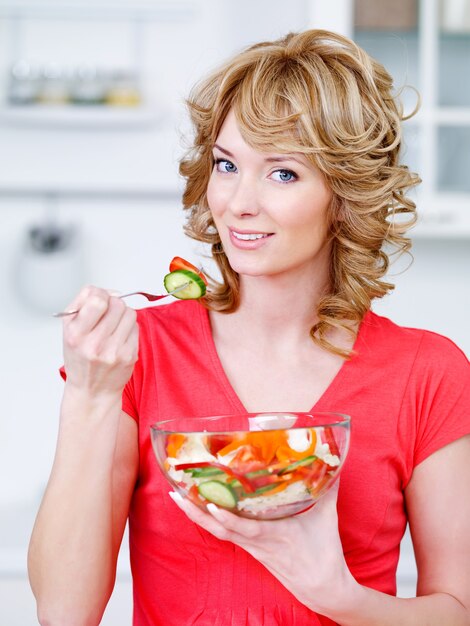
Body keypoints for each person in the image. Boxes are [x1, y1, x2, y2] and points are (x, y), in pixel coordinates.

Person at [28, 29, 470, 626]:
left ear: (344, 196)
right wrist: (89, 394)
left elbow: (458, 610)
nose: (238, 201)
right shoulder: (143, 351)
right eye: (227, 164)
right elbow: (62, 612)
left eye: (282, 173)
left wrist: (336, 593)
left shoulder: (428, 374)